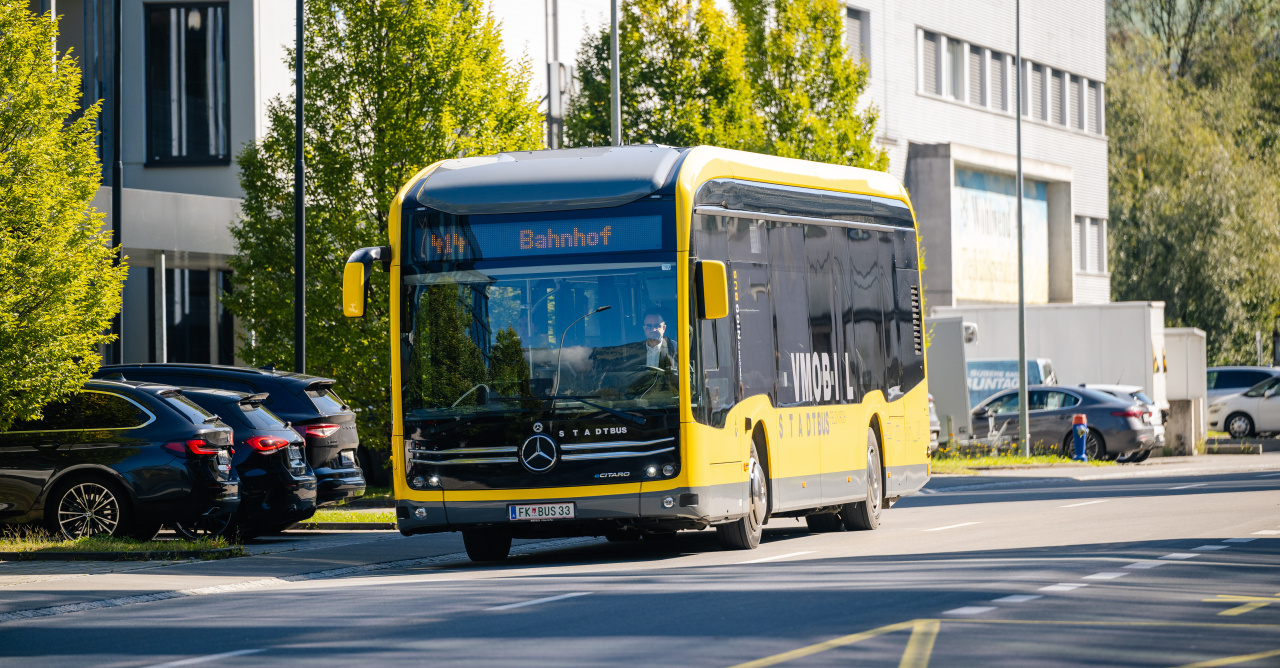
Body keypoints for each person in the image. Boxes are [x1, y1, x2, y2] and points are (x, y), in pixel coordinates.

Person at [591, 310, 677, 372]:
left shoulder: (675, 348)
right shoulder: (633, 350)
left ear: (664, 328)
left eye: (657, 326)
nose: (653, 329)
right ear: (644, 329)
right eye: (649, 326)